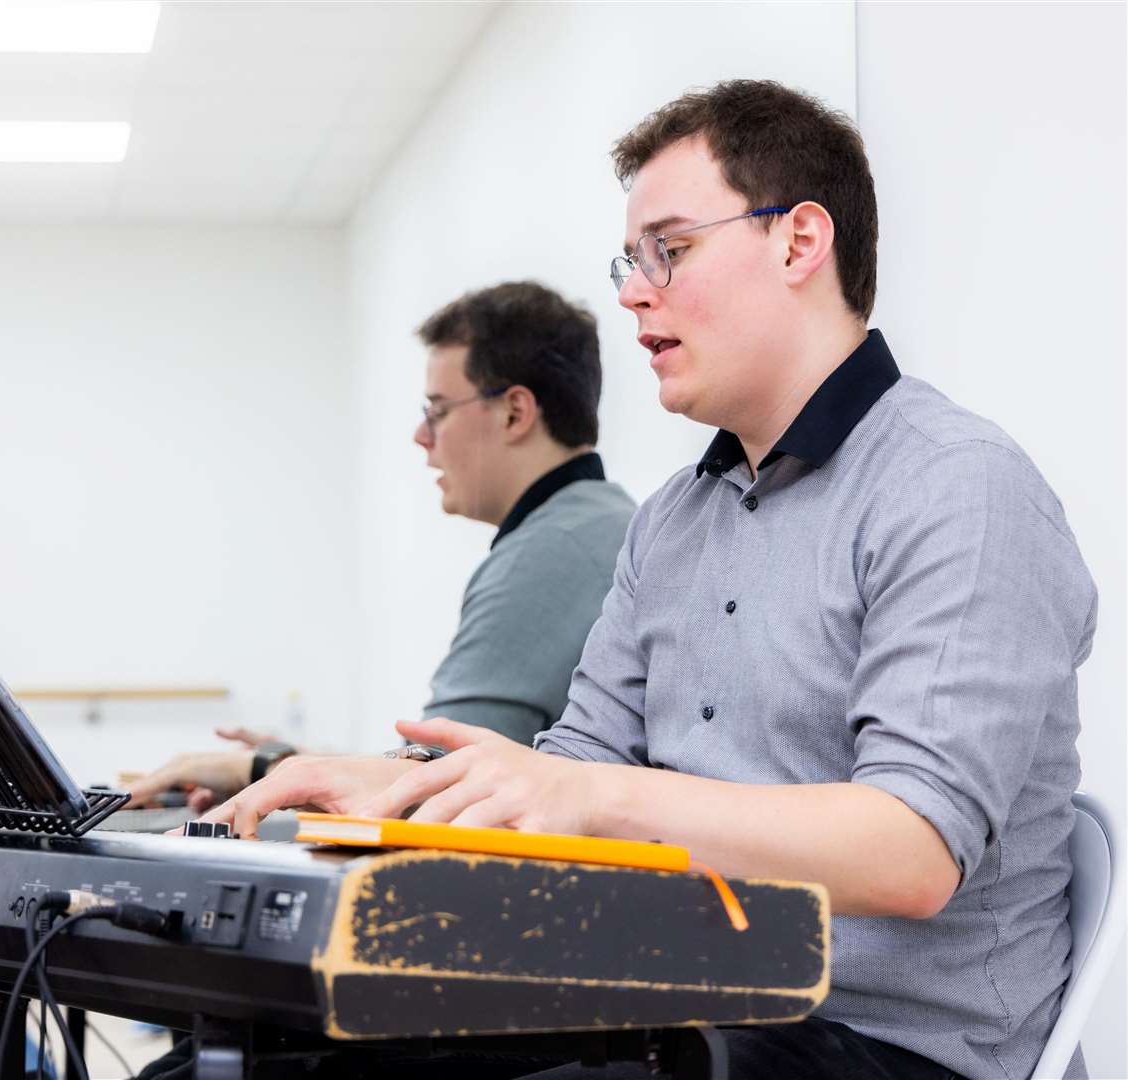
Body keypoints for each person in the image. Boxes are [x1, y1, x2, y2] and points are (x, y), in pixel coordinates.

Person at [199, 80, 1098, 1080]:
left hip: (887, 1047)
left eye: (671, 251)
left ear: (801, 243)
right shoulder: (671, 520)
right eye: (633, 260)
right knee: (298, 1060)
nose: (633, 291)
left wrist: (591, 797)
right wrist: (397, 792)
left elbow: (910, 850)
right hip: (688, 998)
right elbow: (577, 759)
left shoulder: (957, 489)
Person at [123, 281, 637, 811]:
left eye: (437, 410)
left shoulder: (552, 552)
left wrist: (265, 770)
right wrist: (298, 764)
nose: (421, 435)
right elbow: (446, 763)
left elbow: (435, 785)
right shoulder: (599, 524)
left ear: (514, 412)